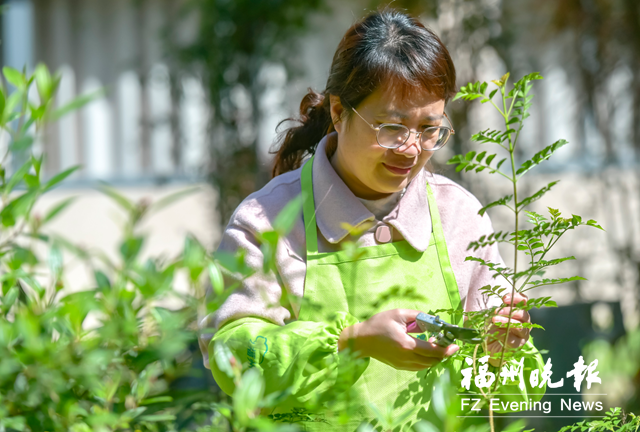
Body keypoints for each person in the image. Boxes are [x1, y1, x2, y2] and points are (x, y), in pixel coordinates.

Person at [199, 8, 546, 431]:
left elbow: (506, 395)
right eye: (391, 126)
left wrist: (500, 351)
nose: (410, 148)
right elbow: (231, 357)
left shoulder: (460, 216)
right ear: (340, 111)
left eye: (429, 129)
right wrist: (352, 343)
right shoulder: (267, 220)